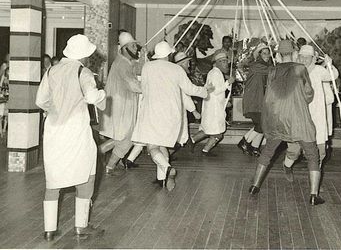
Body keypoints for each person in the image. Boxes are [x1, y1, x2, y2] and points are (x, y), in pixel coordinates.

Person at [36, 34, 106, 241]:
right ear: (84, 56)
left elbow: (40, 100)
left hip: (53, 131)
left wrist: (57, 110)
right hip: (76, 132)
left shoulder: (51, 70)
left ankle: (49, 230)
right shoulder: (83, 72)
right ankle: (81, 227)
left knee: (53, 181)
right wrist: (101, 94)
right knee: (86, 175)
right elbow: (93, 97)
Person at [248, 44, 325, 206]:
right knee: (312, 155)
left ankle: (254, 186)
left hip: (276, 120)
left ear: (278, 55)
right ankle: (313, 195)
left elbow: (270, 95)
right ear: (294, 53)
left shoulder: (272, 71)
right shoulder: (300, 69)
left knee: (268, 152)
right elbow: (309, 95)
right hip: (298, 121)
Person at [131, 41, 211, 191]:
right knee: (162, 146)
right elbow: (190, 89)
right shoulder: (176, 69)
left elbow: (143, 87)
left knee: (152, 147)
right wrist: (205, 91)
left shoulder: (147, 67)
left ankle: (168, 169)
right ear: (169, 54)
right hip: (171, 115)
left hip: (152, 112)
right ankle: (161, 180)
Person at [283, 45, 339, 176]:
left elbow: (333, 76)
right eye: (301, 57)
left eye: (307, 57)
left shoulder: (319, 70)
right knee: (294, 149)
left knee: (320, 150)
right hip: (299, 115)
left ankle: (315, 177)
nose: (304, 60)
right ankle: (287, 166)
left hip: (317, 116)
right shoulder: (294, 71)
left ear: (313, 59)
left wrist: (329, 64)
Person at [99, 32, 143, 175]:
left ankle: (99, 156)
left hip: (122, 106)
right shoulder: (122, 64)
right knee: (127, 138)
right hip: (121, 107)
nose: (136, 49)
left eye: (136, 46)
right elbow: (134, 85)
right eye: (133, 46)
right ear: (124, 48)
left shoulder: (124, 62)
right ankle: (109, 166)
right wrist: (148, 85)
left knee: (120, 137)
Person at [190, 51, 235, 155]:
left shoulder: (215, 72)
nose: (226, 63)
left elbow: (217, 90)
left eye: (226, 61)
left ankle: (192, 141)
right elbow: (215, 90)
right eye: (223, 61)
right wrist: (228, 82)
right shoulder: (215, 73)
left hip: (212, 107)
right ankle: (205, 150)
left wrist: (224, 100)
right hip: (214, 109)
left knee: (208, 129)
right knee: (218, 133)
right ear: (217, 63)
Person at [237, 42, 273, 157]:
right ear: (259, 55)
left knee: (262, 124)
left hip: (259, 100)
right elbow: (273, 71)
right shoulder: (257, 66)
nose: (267, 56)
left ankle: (254, 147)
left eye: (268, 54)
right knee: (262, 125)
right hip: (253, 100)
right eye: (264, 53)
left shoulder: (264, 66)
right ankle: (245, 142)